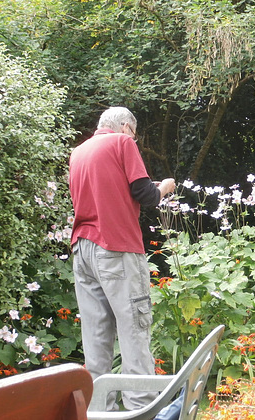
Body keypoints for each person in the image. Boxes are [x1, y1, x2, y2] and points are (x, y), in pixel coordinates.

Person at [68, 106, 175, 411]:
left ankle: (100, 411)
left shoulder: (79, 152)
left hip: (83, 250)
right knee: (134, 329)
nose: (135, 140)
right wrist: (164, 188)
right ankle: (141, 409)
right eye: (135, 134)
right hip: (116, 248)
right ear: (126, 128)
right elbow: (145, 194)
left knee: (96, 334)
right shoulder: (122, 143)